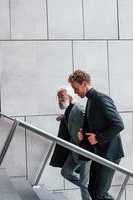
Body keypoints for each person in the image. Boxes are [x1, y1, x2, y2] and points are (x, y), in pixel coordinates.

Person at [68, 70, 124, 200]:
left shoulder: (101, 99)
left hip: (110, 154)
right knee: (92, 191)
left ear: (84, 84)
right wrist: (84, 134)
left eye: (76, 88)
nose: (75, 92)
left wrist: (98, 138)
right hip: (100, 154)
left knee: (99, 194)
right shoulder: (90, 100)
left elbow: (119, 124)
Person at [50, 85, 91, 200]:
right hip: (75, 150)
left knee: (83, 183)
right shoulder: (69, 110)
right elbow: (71, 118)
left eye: (62, 96)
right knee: (66, 172)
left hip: (86, 151)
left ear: (70, 96)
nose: (60, 100)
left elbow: (91, 123)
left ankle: (87, 188)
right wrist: (63, 118)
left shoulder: (79, 109)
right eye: (58, 97)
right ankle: (90, 187)